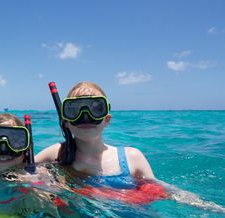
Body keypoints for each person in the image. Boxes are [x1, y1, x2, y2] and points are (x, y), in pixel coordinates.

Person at [35, 81, 168, 204]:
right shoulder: (56, 153)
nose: (85, 116)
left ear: (106, 120)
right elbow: (22, 168)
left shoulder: (131, 157)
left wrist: (95, 193)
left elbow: (160, 192)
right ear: (66, 122)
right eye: (75, 110)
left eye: (96, 109)